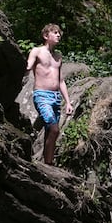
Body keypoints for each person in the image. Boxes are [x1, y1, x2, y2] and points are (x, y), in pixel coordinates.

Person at [26, 24, 74, 165]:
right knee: (54, 129)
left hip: (55, 98)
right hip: (41, 95)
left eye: (59, 33)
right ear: (46, 36)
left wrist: (68, 102)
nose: (58, 35)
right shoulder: (37, 51)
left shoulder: (58, 56)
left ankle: (48, 164)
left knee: (50, 131)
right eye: (55, 33)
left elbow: (61, 81)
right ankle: (46, 163)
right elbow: (28, 66)